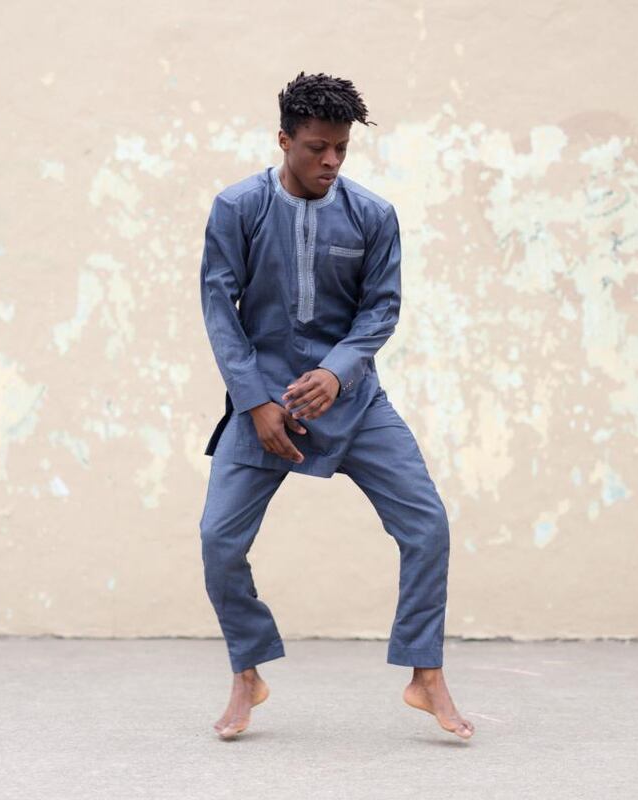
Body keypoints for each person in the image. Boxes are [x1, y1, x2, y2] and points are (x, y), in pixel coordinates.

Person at [198, 71, 475, 741]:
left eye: (341, 150)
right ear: (285, 140)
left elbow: (382, 307)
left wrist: (339, 371)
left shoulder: (372, 215)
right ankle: (247, 672)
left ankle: (425, 673)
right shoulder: (238, 208)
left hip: (355, 405)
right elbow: (219, 308)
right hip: (262, 405)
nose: (331, 162)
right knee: (218, 541)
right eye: (318, 147)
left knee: (427, 526)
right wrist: (256, 401)